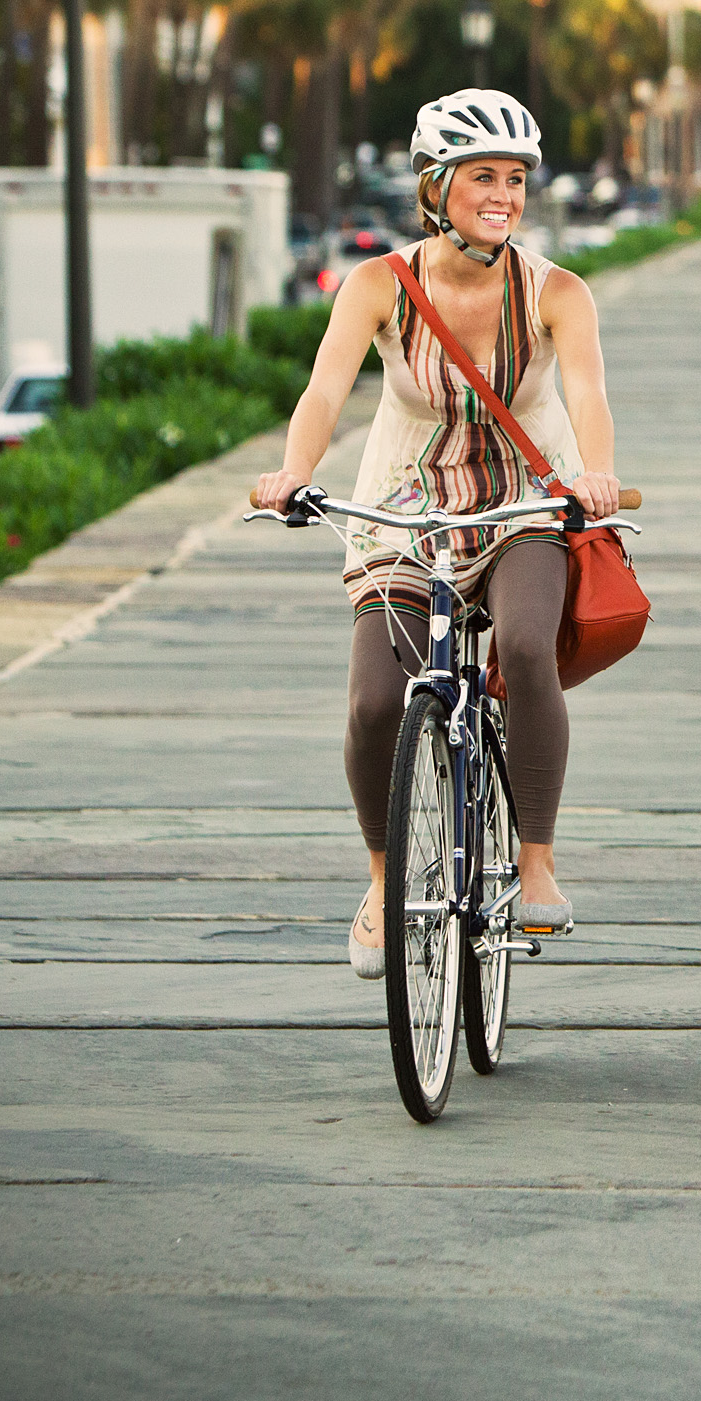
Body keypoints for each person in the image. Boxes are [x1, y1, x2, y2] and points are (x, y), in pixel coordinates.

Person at [251, 88, 623, 978]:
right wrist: (294, 472)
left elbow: (588, 395)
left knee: (528, 646)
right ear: (435, 187)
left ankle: (536, 861)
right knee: (376, 701)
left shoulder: (557, 292)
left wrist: (596, 473)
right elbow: (324, 391)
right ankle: (384, 881)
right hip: (406, 503)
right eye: (483, 176)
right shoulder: (379, 284)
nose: (503, 194)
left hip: (522, 500)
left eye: (516, 178)